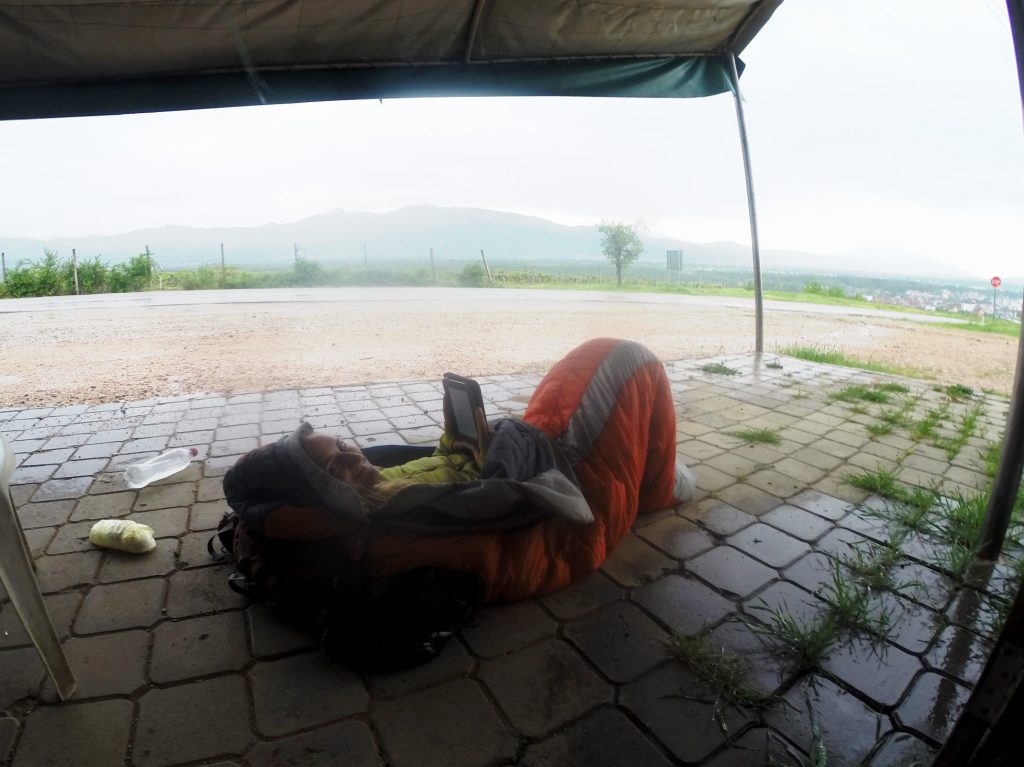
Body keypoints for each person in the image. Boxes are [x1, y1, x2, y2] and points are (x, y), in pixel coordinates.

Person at [223, 337, 693, 605]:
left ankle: (659, 470)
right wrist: (500, 454)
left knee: (586, 369)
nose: (356, 459)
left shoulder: (376, 489)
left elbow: (453, 471)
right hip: (575, 496)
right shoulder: (382, 524)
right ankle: (663, 487)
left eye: (346, 446)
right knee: (629, 359)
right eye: (335, 467)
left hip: (538, 455)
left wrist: (462, 440)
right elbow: (501, 509)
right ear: (319, 495)